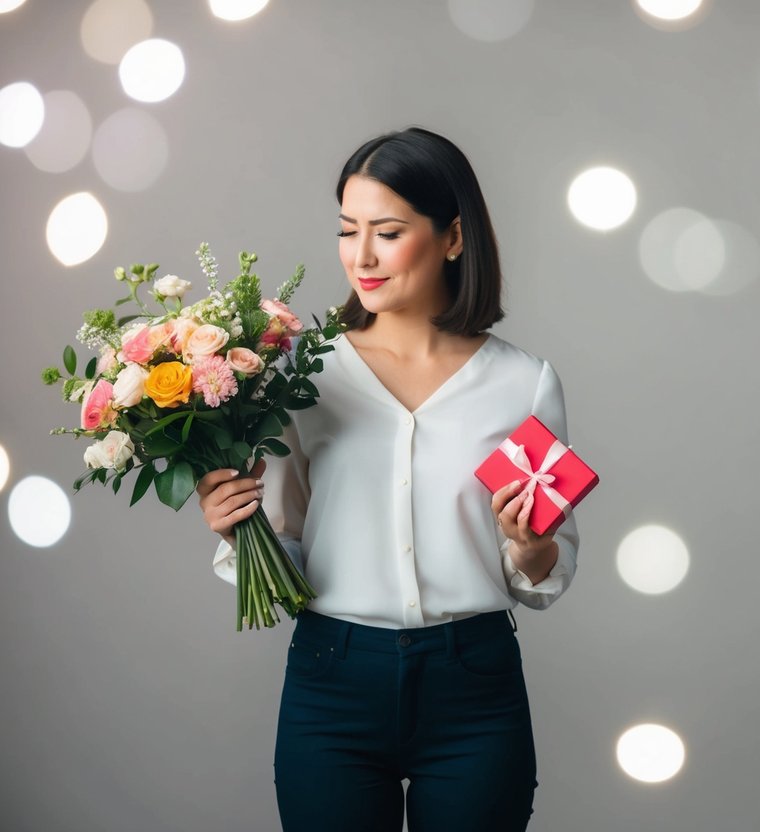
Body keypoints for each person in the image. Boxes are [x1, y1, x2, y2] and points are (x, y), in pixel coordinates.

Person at [196, 127, 579, 832]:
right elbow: (282, 545)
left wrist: (529, 547)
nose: (361, 256)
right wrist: (236, 522)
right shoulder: (299, 376)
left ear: (453, 238)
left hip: (475, 688)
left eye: (388, 231)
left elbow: (542, 569)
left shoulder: (523, 384)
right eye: (348, 230)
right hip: (332, 683)